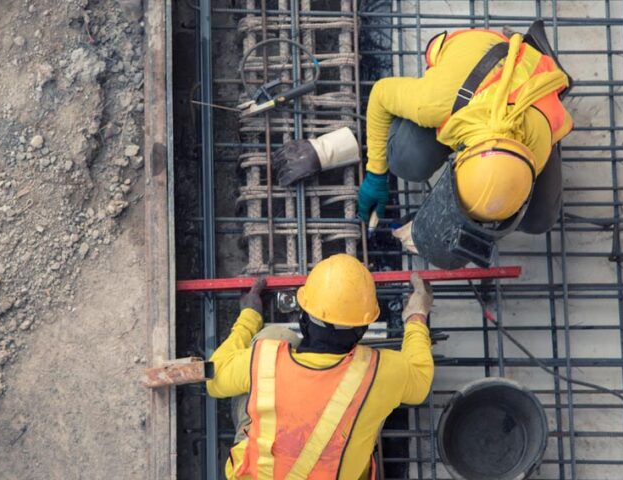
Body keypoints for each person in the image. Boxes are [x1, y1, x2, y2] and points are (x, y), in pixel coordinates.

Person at [273, 22, 572, 268]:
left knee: (540, 218)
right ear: (460, 157)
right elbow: (380, 95)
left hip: (533, 90)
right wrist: (376, 172)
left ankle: (538, 55)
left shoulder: (541, 137)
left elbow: (495, 197)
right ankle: (518, 42)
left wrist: (437, 227)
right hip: (476, 59)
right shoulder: (436, 102)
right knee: (405, 159)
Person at [207, 254, 434, 479]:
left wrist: (249, 316)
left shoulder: (264, 360)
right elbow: (421, 380)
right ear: (363, 329)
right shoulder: (381, 372)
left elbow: (214, 379)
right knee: (373, 399)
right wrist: (417, 315)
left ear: (303, 318)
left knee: (273, 336)